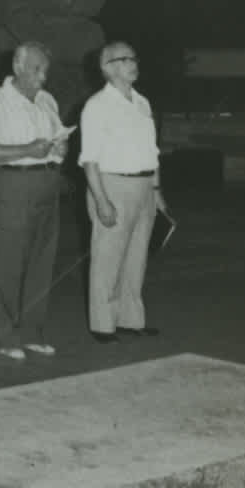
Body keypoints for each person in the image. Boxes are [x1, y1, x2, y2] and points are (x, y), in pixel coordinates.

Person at [0, 42, 72, 360]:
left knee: (41, 262)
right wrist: (28, 150)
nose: (42, 77)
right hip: (9, 186)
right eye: (36, 69)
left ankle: (32, 332)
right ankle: (6, 337)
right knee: (7, 263)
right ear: (17, 64)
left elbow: (56, 141)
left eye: (45, 71)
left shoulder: (47, 101)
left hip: (46, 183)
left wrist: (59, 149)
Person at [79, 41, 169, 343]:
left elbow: (152, 150)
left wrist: (156, 190)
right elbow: (89, 160)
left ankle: (131, 319)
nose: (134, 63)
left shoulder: (142, 103)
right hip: (112, 185)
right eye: (125, 59)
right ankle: (103, 324)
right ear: (107, 67)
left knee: (137, 256)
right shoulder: (96, 106)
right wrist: (101, 201)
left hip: (144, 186)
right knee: (108, 258)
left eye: (134, 57)